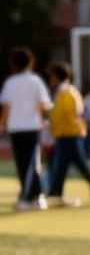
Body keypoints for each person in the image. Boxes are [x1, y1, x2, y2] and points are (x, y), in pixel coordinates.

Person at [0, 48, 51, 210]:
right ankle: (36, 196)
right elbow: (44, 104)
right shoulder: (35, 81)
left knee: (24, 163)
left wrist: (2, 124)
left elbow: (6, 107)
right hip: (31, 127)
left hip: (15, 128)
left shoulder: (10, 82)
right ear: (31, 62)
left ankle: (26, 197)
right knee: (29, 162)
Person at [46, 65, 90, 204]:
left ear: (55, 76)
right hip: (68, 133)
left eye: (51, 76)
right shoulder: (68, 90)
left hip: (69, 133)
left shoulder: (65, 91)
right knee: (63, 164)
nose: (50, 79)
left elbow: (67, 113)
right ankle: (55, 191)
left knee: (72, 162)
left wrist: (53, 124)